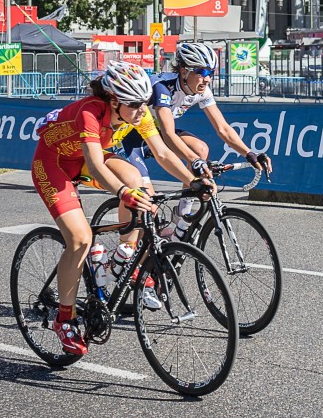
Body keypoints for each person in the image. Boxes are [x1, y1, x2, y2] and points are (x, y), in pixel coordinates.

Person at [31, 61, 199, 356]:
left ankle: (122, 258)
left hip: (83, 158)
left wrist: (193, 181)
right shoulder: (90, 112)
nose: (140, 110)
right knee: (80, 239)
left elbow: (161, 152)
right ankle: (64, 318)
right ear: (113, 101)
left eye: (143, 103)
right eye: (133, 104)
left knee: (138, 181)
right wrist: (123, 193)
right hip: (53, 164)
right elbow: (95, 164)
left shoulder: (138, 112)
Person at [120, 42, 272, 221]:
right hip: (133, 137)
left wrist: (249, 154)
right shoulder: (163, 87)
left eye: (211, 73)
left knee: (200, 149)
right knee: (148, 205)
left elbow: (223, 128)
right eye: (202, 72)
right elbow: (169, 135)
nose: (207, 79)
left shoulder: (202, 91)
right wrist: (195, 161)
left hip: (155, 131)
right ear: (184, 71)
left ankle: (182, 214)